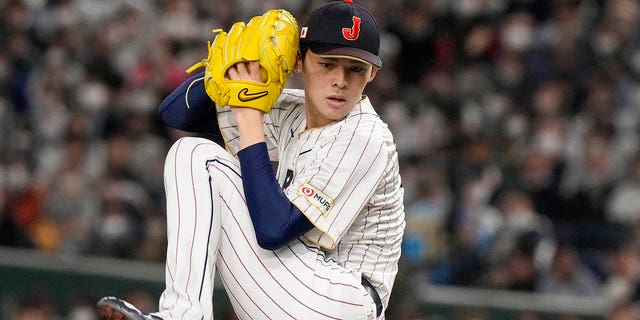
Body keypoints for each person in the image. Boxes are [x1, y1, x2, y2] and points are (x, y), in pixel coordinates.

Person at [96, 0, 405, 319]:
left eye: (355, 68)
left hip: (338, 301)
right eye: (328, 64)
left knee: (202, 160)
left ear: (373, 74)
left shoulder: (365, 134)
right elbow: (176, 113)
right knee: (189, 153)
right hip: (292, 287)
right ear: (298, 61)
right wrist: (230, 69)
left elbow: (274, 229)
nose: (341, 80)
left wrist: (249, 113)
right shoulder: (294, 113)